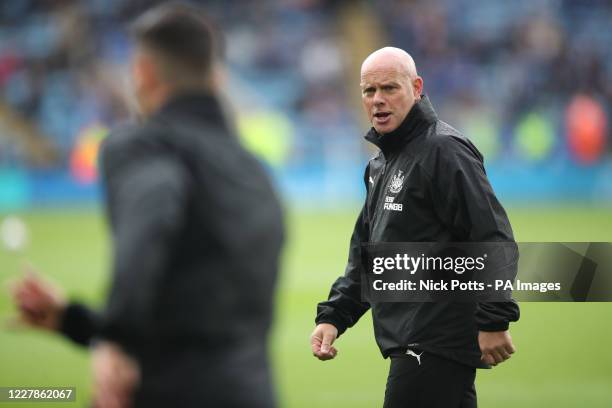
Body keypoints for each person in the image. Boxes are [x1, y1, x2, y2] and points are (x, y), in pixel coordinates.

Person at [10, 4, 284, 408]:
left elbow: (153, 216)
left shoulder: (143, 145)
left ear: (143, 72)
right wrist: (75, 321)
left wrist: (115, 341)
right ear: (217, 77)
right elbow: (200, 322)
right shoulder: (255, 172)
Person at [310, 47, 520, 407]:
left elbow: (491, 235)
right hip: (412, 341)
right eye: (368, 91)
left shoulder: (444, 150)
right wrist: (334, 316)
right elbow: (369, 256)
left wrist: (495, 318)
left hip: (433, 341)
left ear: (417, 87)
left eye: (389, 88)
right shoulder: (380, 164)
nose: (377, 100)